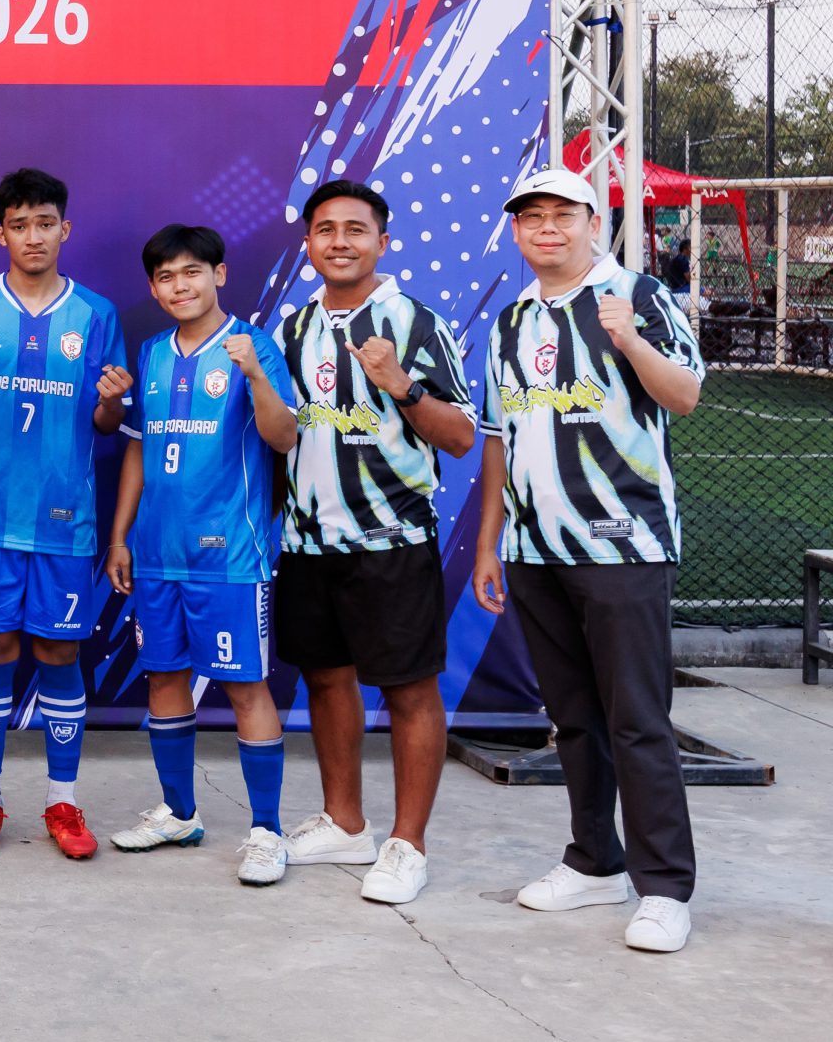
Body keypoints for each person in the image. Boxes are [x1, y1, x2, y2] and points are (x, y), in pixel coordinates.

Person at [472, 166, 706, 954]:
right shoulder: (511, 320)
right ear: (517, 230)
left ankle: (664, 886)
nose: (547, 228)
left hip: (622, 543)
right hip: (535, 548)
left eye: (562, 214)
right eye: (531, 216)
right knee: (573, 717)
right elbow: (499, 438)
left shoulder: (637, 294)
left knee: (637, 718)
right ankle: (595, 860)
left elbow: (684, 396)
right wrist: (491, 542)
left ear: (592, 222)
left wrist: (630, 339)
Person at [273, 179, 477, 906]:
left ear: (383, 241)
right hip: (307, 540)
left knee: (409, 689)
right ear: (308, 243)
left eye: (355, 229)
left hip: (391, 537)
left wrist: (399, 383)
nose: (340, 242)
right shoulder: (292, 329)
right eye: (326, 229)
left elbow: (461, 436)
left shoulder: (415, 321)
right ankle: (345, 823)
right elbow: (278, 433)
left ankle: (407, 844)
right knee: (326, 678)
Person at [0, 168, 130, 862]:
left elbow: (106, 423)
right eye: (19, 225)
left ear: (64, 229)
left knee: (58, 652)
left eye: (45, 223)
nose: (33, 236)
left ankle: (62, 802)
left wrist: (110, 401)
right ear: (1, 233)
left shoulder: (96, 314)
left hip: (64, 522)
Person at [104, 223, 299, 886]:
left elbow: (283, 436)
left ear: (219, 274)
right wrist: (121, 536)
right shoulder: (152, 352)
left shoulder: (252, 344)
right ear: (154, 287)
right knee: (163, 679)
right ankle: (179, 813)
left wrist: (255, 375)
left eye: (191, 272)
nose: (179, 286)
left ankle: (266, 831)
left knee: (245, 686)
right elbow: (137, 449)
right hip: (158, 554)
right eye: (165, 276)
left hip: (229, 556)